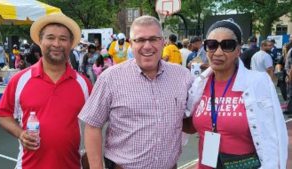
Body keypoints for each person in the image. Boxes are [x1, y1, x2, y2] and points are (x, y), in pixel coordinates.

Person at [78, 15, 192, 169]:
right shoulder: (110, 78)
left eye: (153, 39)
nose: (147, 46)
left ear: (162, 42)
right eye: (140, 40)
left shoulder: (183, 76)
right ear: (131, 44)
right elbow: (92, 126)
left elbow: (190, 121)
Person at [184, 19, 288, 169]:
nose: (218, 52)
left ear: (238, 50)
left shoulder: (258, 83)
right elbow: (190, 124)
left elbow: (275, 134)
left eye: (227, 45)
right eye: (212, 45)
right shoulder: (199, 84)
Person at [0, 14, 92, 169]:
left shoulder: (84, 84)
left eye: (63, 39)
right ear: (40, 41)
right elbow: (1, 114)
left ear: (71, 44)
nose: (56, 44)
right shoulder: (20, 79)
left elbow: (94, 128)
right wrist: (20, 133)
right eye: (50, 37)